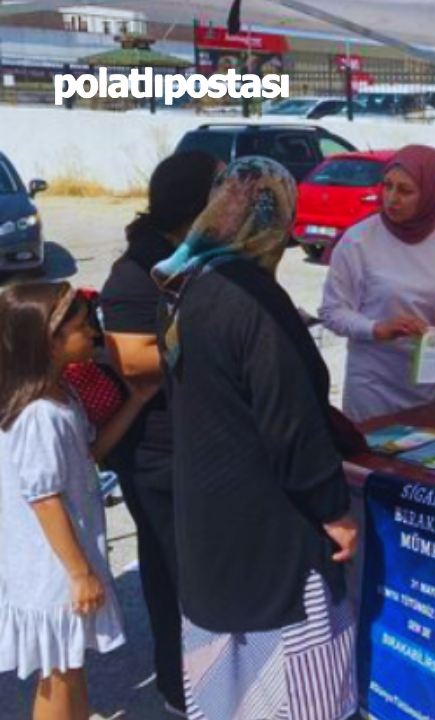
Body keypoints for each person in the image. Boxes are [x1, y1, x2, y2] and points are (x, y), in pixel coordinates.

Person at [154, 158, 359, 720]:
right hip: (273, 544)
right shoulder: (257, 302)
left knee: (230, 700)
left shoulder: (188, 284)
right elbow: (290, 427)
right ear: (280, 220)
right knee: (299, 698)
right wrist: (335, 511)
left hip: (210, 532)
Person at [98, 149, 219, 715]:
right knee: (173, 575)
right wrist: (221, 337)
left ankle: (209, 676)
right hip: (157, 453)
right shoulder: (135, 271)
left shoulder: (194, 254)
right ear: (194, 200)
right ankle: (180, 687)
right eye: (220, 185)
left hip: (196, 443)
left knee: (203, 570)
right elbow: (135, 362)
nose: (231, 194)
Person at [0, 282, 155, 720]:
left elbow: (92, 452)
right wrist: (80, 572)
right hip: (52, 567)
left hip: (63, 560)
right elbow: (44, 499)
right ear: (47, 341)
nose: (93, 335)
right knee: (59, 673)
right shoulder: (38, 414)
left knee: (69, 666)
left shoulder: (61, 396)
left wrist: (137, 399)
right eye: (82, 328)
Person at [320, 144, 435, 422]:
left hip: (434, 380)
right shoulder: (359, 240)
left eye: (405, 191)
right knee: (374, 462)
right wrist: (375, 328)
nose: (392, 198)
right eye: (387, 186)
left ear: (430, 193)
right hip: (375, 384)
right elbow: (332, 312)